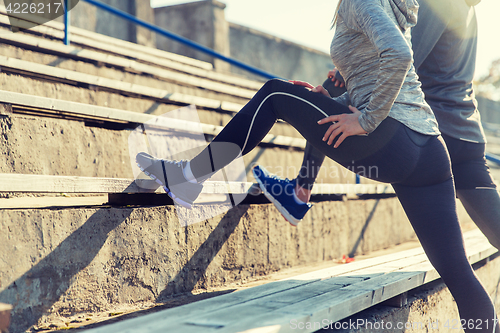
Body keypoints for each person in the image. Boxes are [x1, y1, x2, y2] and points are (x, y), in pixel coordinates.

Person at [136, 0, 498, 330]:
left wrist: (366, 120)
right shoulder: (394, 5)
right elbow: (377, 72)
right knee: (458, 274)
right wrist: (336, 101)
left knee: (274, 94)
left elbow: (401, 56)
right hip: (429, 149)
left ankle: (188, 177)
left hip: (393, 137)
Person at [280, 0, 500, 252]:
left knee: (331, 89)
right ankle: (300, 190)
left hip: (431, 134)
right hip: (466, 136)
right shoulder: (466, 7)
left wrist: (347, 75)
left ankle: (301, 190)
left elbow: (404, 58)